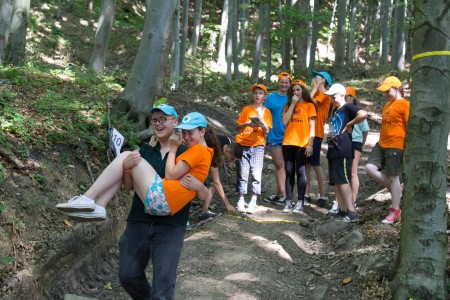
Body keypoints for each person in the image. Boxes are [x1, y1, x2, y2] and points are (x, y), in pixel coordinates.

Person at [56, 110, 221, 219]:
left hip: (164, 198)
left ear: (202, 132)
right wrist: (128, 167)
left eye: (190, 132)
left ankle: (87, 198)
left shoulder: (197, 151)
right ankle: (99, 206)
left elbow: (171, 174)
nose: (185, 137)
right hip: (163, 205)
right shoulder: (204, 153)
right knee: (127, 162)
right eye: (183, 132)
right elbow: (129, 186)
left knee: (127, 155)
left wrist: (173, 148)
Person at [365, 76, 409, 224]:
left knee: (393, 177)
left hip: (396, 145)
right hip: (381, 144)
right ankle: (395, 190)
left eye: (388, 91)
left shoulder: (404, 105)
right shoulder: (387, 105)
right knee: (369, 167)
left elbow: (409, 126)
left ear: (397, 89)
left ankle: (395, 210)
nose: (385, 94)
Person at [324, 84, 367, 222]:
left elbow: (363, 114)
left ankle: (351, 211)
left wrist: (350, 124)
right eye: (330, 96)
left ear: (342, 95)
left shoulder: (347, 107)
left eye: (334, 96)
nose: (331, 98)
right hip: (333, 149)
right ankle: (342, 210)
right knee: (336, 181)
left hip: (343, 149)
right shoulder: (336, 110)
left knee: (343, 180)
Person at [280, 79, 317, 214]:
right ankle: (288, 201)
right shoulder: (288, 105)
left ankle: (300, 201)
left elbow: (312, 128)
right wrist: (293, 104)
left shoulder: (310, 106)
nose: (296, 92)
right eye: (293, 90)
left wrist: (310, 145)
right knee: (289, 171)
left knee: (301, 172)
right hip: (288, 142)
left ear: (303, 91)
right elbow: (284, 121)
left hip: (302, 143)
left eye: (298, 89)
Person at [235, 83, 273, 214]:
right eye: (255, 93)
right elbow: (238, 127)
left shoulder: (267, 112)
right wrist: (247, 123)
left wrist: (261, 123)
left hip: (258, 145)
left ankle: (253, 200)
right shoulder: (246, 109)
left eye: (260, 93)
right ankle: (240, 199)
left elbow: (267, 131)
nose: (257, 95)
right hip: (243, 144)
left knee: (256, 173)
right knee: (243, 172)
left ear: (264, 96)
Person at [198, 135, 243, 221]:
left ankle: (204, 212)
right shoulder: (215, 152)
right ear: (227, 150)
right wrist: (227, 204)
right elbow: (216, 182)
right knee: (214, 183)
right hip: (194, 153)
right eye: (232, 158)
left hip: (203, 154)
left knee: (213, 184)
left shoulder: (227, 141)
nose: (232, 162)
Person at [263, 72, 291, 206]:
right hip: (274, 135)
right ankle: (284, 195)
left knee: (283, 166)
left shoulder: (292, 98)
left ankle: (279, 193)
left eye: (286, 82)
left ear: (290, 84)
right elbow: (264, 115)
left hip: (289, 136)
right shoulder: (271, 98)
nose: (284, 84)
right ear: (278, 83)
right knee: (279, 165)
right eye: (282, 82)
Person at [305, 70, 332, 207]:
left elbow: (310, 103)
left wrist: (315, 88)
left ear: (324, 81)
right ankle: (306, 194)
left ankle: (323, 195)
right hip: (307, 133)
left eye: (317, 77)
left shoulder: (325, 95)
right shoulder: (315, 93)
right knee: (307, 164)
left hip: (317, 133)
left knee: (315, 163)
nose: (314, 78)